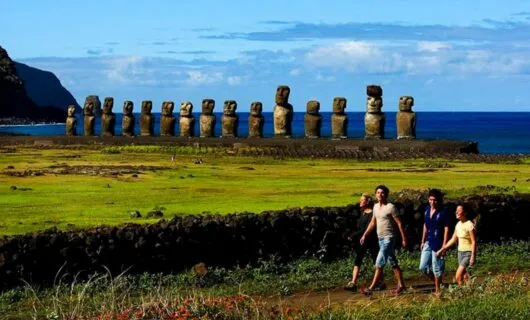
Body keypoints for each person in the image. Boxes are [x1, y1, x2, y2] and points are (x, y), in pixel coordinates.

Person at [360, 185, 407, 296]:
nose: (380, 195)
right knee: (393, 262)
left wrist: (404, 238)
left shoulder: (391, 207)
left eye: (382, 193)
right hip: (380, 238)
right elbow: (373, 222)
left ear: (386, 195)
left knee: (379, 262)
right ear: (375, 194)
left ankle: (371, 288)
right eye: (378, 192)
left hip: (389, 238)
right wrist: (364, 235)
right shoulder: (375, 207)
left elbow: (399, 223)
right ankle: (402, 286)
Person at [344, 193, 385, 292]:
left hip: (371, 240)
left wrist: (353, 235)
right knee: (358, 260)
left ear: (367, 202)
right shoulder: (362, 213)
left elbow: (365, 229)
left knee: (376, 261)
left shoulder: (371, 214)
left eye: (362, 200)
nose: (360, 201)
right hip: (362, 240)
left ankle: (381, 282)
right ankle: (353, 282)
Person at [419, 189, 450, 296]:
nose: (433, 202)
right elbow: (425, 225)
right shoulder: (427, 210)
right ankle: (439, 283)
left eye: (435, 200)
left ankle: (438, 290)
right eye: (431, 200)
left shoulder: (443, 212)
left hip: (438, 241)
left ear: (439, 200)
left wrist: (444, 246)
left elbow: (446, 229)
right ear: (428, 200)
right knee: (423, 267)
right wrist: (422, 240)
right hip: (428, 240)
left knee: (436, 267)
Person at [437, 204, 477, 285]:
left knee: (458, 276)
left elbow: (473, 241)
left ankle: (463, 293)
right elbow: (453, 239)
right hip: (460, 253)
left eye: (459, 210)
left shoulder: (469, 225)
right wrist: (442, 249)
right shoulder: (458, 224)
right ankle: (468, 293)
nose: (456, 212)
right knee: (465, 276)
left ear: (465, 213)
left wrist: (473, 255)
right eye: (456, 210)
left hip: (468, 253)